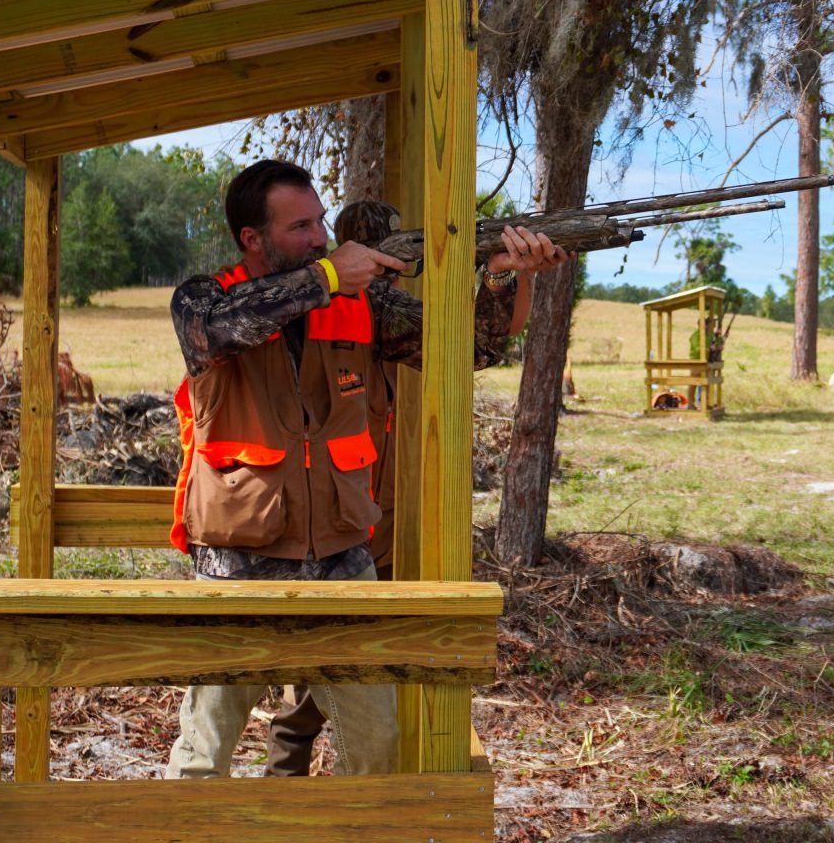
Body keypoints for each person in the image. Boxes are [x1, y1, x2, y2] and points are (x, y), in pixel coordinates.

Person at [165, 161, 568, 779]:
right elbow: (215, 330)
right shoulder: (204, 297)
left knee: (377, 748)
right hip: (237, 563)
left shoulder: (363, 304)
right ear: (252, 238)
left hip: (342, 556)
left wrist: (499, 280)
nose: (321, 236)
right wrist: (327, 277)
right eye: (301, 226)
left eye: (321, 220)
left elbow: (467, 349)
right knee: (203, 758)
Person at [264, 198, 539, 776]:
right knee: (314, 683)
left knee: (350, 680)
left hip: (379, 519)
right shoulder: (318, 306)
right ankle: (290, 794)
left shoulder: (384, 312)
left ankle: (345, 803)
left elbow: (479, 344)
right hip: (336, 524)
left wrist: (512, 276)